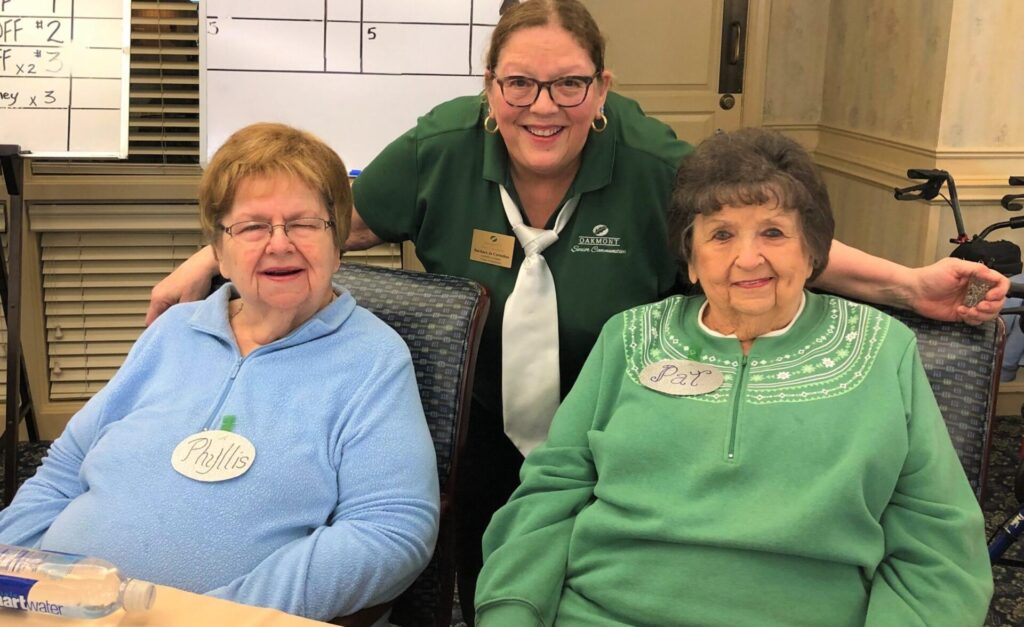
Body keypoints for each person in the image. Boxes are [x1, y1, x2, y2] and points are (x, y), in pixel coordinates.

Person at [143, 1, 1007, 619]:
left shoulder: (652, 160)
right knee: (492, 564)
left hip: (633, 413)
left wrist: (903, 283)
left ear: (602, 89)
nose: (542, 106)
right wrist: (212, 257)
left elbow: (762, 232)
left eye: (568, 84)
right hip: (482, 409)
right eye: (519, 84)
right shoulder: (442, 148)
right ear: (490, 87)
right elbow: (333, 219)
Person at [474, 128, 993, 626]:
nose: (749, 258)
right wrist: (511, 608)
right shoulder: (628, 338)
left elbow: (938, 541)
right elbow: (549, 494)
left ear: (813, 250)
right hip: (604, 612)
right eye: (720, 234)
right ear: (691, 259)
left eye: (773, 231)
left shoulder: (883, 349)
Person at [0, 123, 440, 623]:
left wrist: (218, 615)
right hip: (52, 604)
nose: (280, 244)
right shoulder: (173, 333)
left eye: (303, 223)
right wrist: (15, 570)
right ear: (219, 252)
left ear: (337, 242)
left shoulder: (373, 359)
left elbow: (391, 531)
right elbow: (62, 472)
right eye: (252, 227)